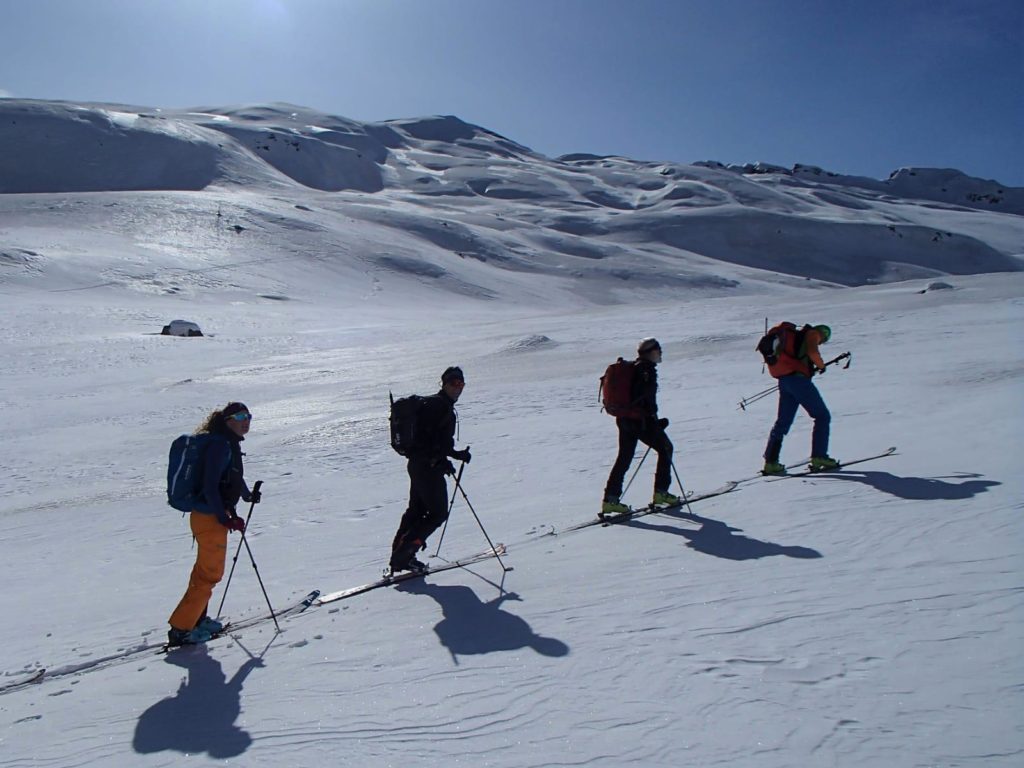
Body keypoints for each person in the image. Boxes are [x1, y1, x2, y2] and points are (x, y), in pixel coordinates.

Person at [167, 402, 259, 646]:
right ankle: (181, 629)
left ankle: (197, 619)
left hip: (209, 516)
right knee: (209, 575)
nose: (246, 420)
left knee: (204, 573)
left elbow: (231, 476)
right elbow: (210, 485)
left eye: (248, 416)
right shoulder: (220, 445)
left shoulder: (227, 442)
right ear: (227, 420)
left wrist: (248, 495)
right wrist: (224, 517)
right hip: (209, 518)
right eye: (240, 416)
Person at [389, 367, 472, 573]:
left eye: (461, 384)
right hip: (427, 467)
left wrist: (451, 456)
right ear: (443, 384)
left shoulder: (434, 404)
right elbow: (436, 442)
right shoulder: (441, 407)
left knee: (416, 511)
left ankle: (400, 556)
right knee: (437, 513)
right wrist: (450, 456)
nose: (457, 388)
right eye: (453, 383)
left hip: (418, 465)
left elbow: (434, 441)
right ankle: (404, 554)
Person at [601, 338, 680, 515]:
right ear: (651, 352)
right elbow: (645, 400)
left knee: (624, 458)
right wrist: (654, 422)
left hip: (624, 419)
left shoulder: (633, 368)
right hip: (640, 421)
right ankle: (661, 493)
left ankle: (610, 500)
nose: (660, 353)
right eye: (658, 350)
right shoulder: (646, 371)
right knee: (666, 448)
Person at [762, 324, 839, 474]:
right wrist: (820, 365)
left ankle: (770, 462)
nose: (821, 342)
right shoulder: (813, 334)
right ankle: (819, 456)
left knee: (782, 422)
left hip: (784, 381)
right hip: (799, 381)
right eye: (823, 339)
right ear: (823, 333)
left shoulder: (794, 338)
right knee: (822, 416)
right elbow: (812, 352)